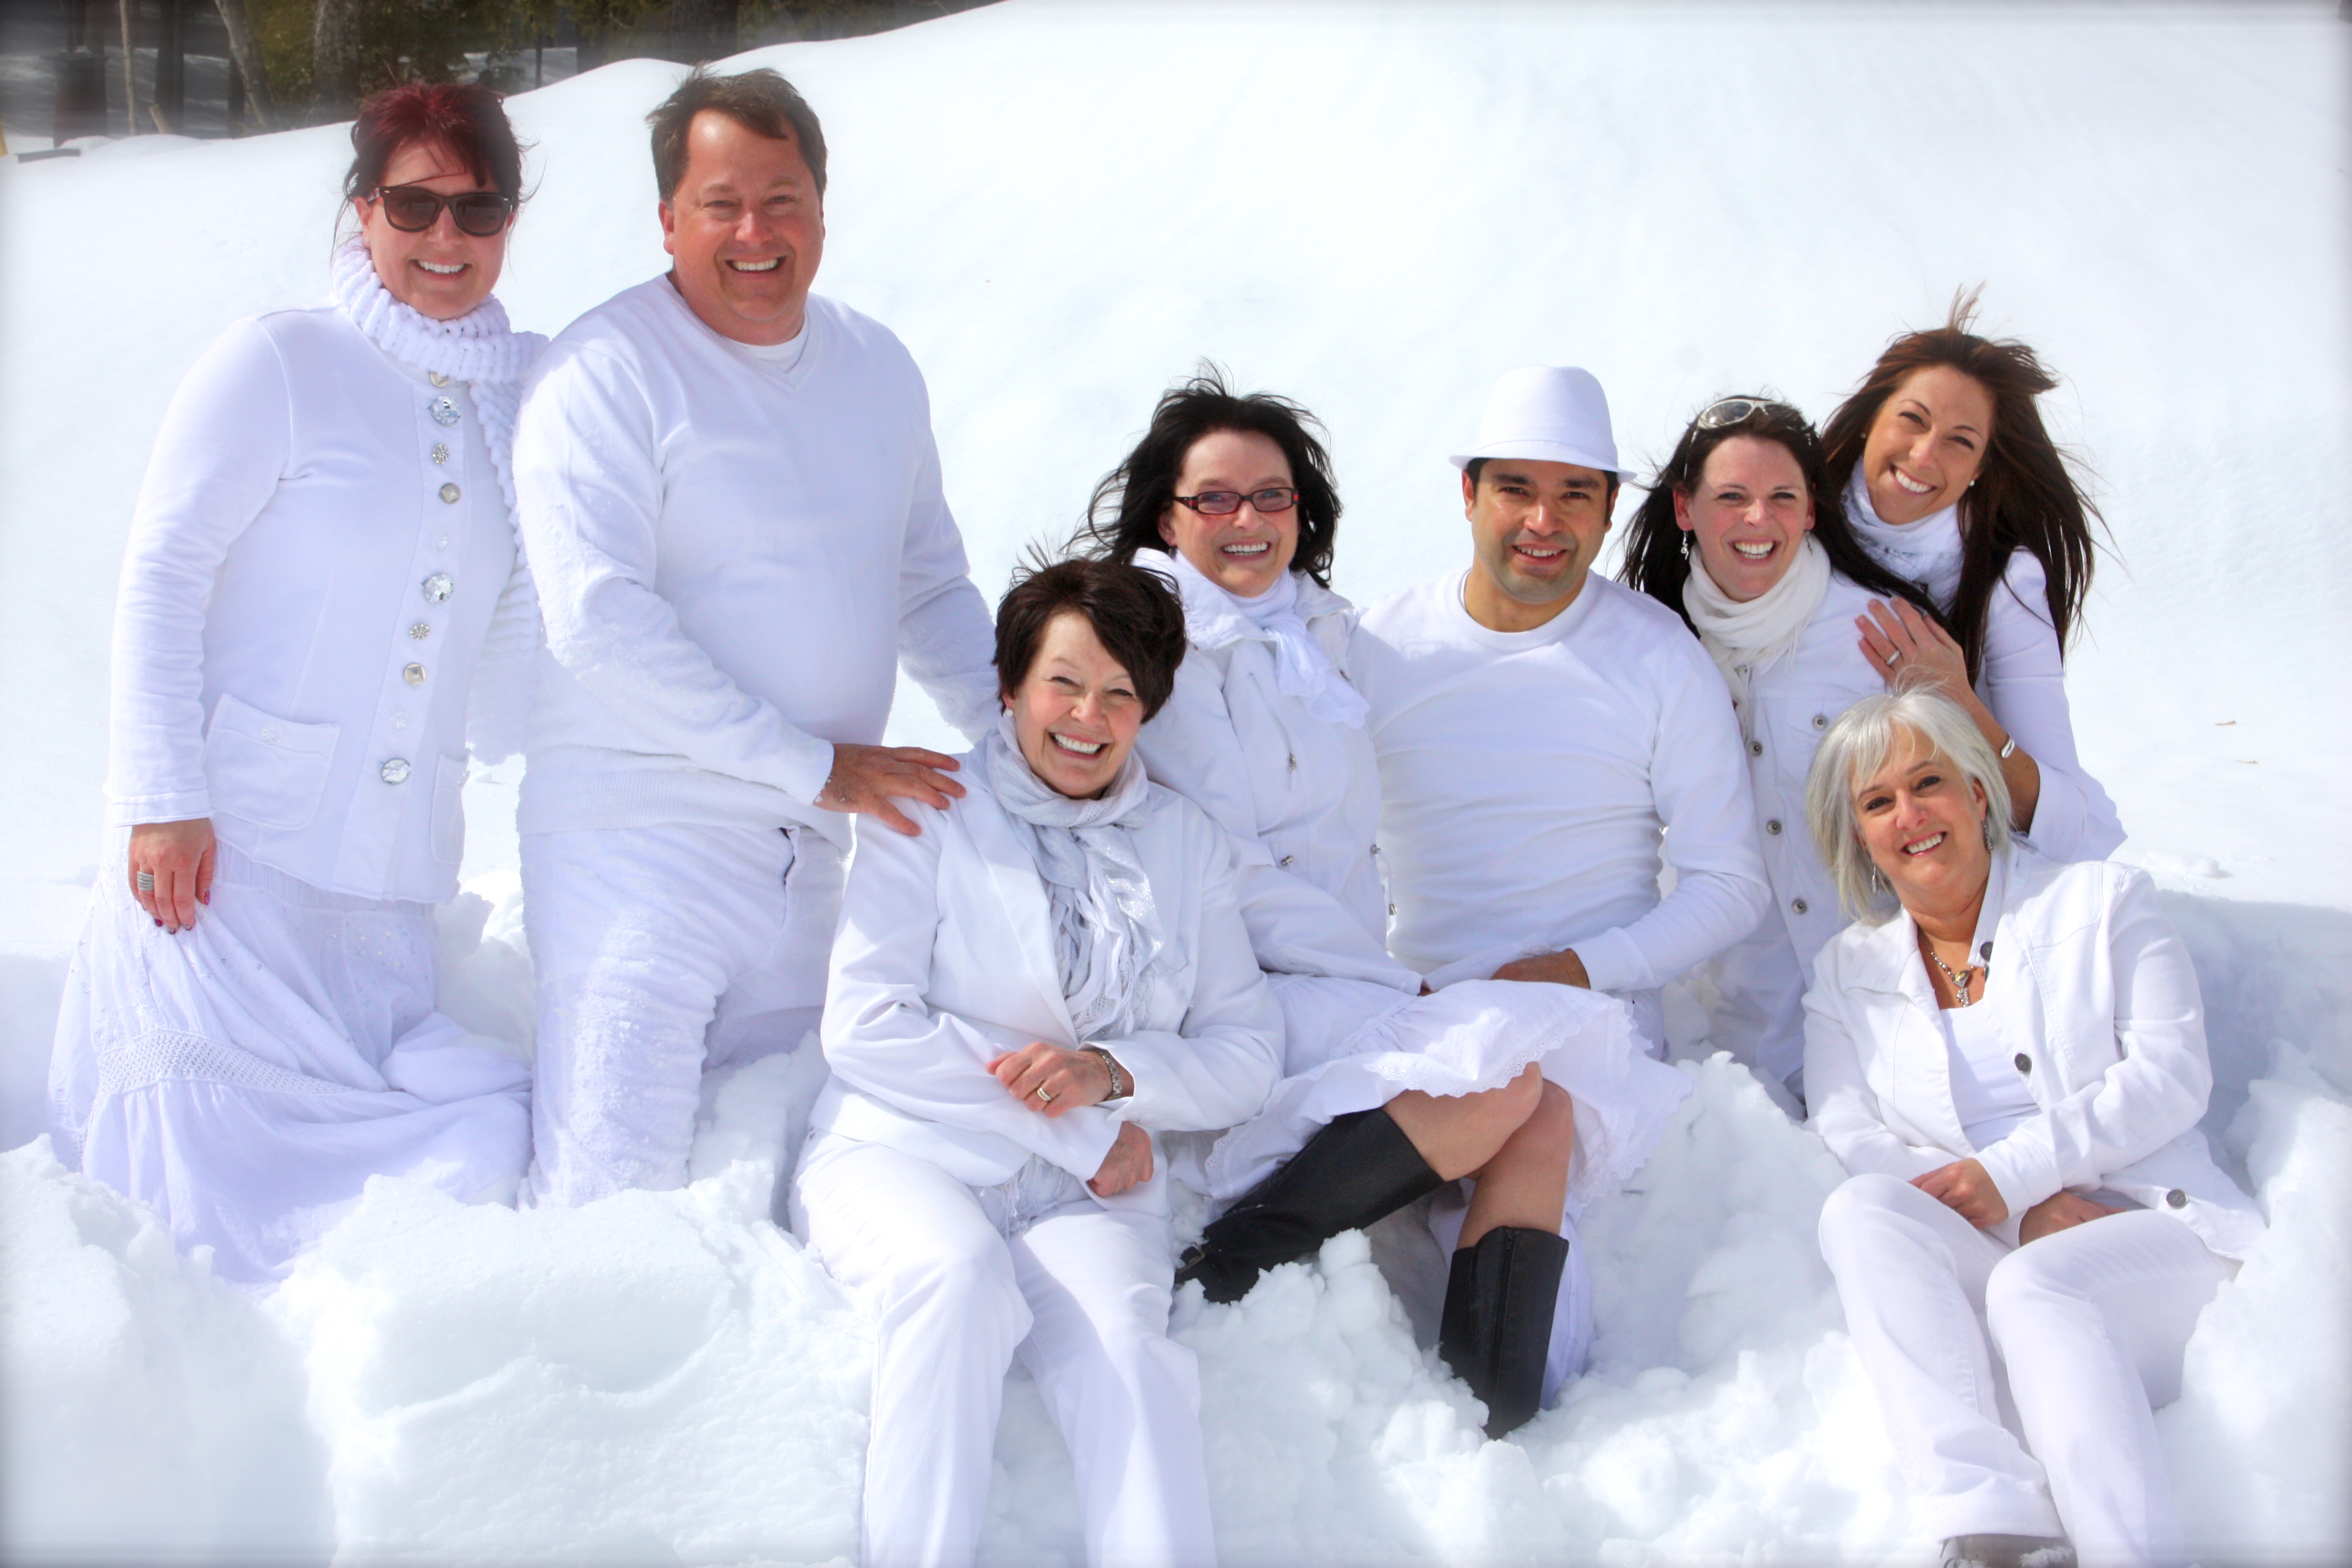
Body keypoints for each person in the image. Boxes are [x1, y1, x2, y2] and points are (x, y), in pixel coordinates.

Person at [1085, 370, 1689, 1436]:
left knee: (1540, 1108)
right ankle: (1237, 1254)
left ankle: (1490, 1415)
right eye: (1213, 500)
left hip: (1332, 973)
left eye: (1271, 497)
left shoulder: (1318, 635)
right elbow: (1229, 872)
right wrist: (1394, 984)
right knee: (1504, 1083)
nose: (1246, 522)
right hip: (1237, 983)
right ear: (1167, 515)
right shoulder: (1161, 645)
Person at [47, 83, 542, 1283]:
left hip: (384, 891)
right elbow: (161, 574)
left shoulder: (519, 402)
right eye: (414, 203)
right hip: (222, 869)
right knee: (205, 1181)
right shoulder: (281, 360)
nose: (444, 239)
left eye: (477, 208)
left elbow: (523, 644)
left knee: (463, 1153)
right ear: (362, 207)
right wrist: (163, 793)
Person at [512, 68, 999, 1205]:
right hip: (638, 847)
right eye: (721, 202)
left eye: (782, 199)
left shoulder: (875, 365)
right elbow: (599, 620)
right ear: (668, 219)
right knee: (613, 1180)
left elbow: (927, 588)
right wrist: (820, 765)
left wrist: (1025, 745)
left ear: (823, 209)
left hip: (813, 860)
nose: (754, 232)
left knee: (778, 1173)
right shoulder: (605, 371)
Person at [792, 559, 1280, 1568]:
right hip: (905, 1154)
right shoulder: (930, 804)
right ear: (1010, 683)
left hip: (1081, 1197)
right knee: (955, 1278)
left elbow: (1245, 1053)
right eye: (1062, 682)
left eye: (1119, 693)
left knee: (1129, 1361)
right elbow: (865, 1024)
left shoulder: (1186, 843)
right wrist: (1079, 1123)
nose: (1087, 718)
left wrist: (1111, 1071)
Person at [1803, 687, 2262, 1568]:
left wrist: (2019, 1175)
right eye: (1878, 801)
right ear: (1859, 835)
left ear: (1978, 792)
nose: (1910, 815)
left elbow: (2172, 1077)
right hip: (2004, 1241)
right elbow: (1850, 1131)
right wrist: (2019, 1211)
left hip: (2148, 1235)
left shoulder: (2104, 902)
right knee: (1861, 1210)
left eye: (1928, 782)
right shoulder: (1843, 972)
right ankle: (1994, 1530)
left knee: (2039, 1286)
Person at [1351, 366, 1772, 1050]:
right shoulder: (1378, 647)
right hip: (1413, 1014)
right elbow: (1310, 841)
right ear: (1469, 493)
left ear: (1609, 510)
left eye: (1574, 495)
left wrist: (1574, 970)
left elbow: (1730, 884)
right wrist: (1376, 980)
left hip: (1597, 1022)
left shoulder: (1660, 656)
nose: (1542, 522)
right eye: (1515, 489)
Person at [1617, 396, 1935, 1103]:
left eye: (1782, 497)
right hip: (1733, 1035)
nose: (1758, 520)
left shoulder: (1880, 632)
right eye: (1732, 496)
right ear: (1684, 508)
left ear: (1812, 510)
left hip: (1888, 1012)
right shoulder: (1649, 643)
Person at [1821, 298, 2123, 863]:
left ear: (1981, 466)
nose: (1924, 455)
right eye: (1912, 419)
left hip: (1923, 871)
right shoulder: (1793, 522)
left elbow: (2060, 815)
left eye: (1960, 441)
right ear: (1871, 417)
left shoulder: (2003, 581)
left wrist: (1957, 700)